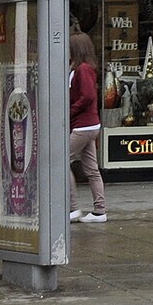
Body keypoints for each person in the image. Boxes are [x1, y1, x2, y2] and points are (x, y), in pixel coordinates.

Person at [68, 30, 107, 224]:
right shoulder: (86, 67)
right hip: (91, 125)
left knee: (61, 163)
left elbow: (87, 96)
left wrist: (69, 112)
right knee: (92, 168)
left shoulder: (82, 69)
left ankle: (73, 207)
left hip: (82, 126)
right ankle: (100, 210)